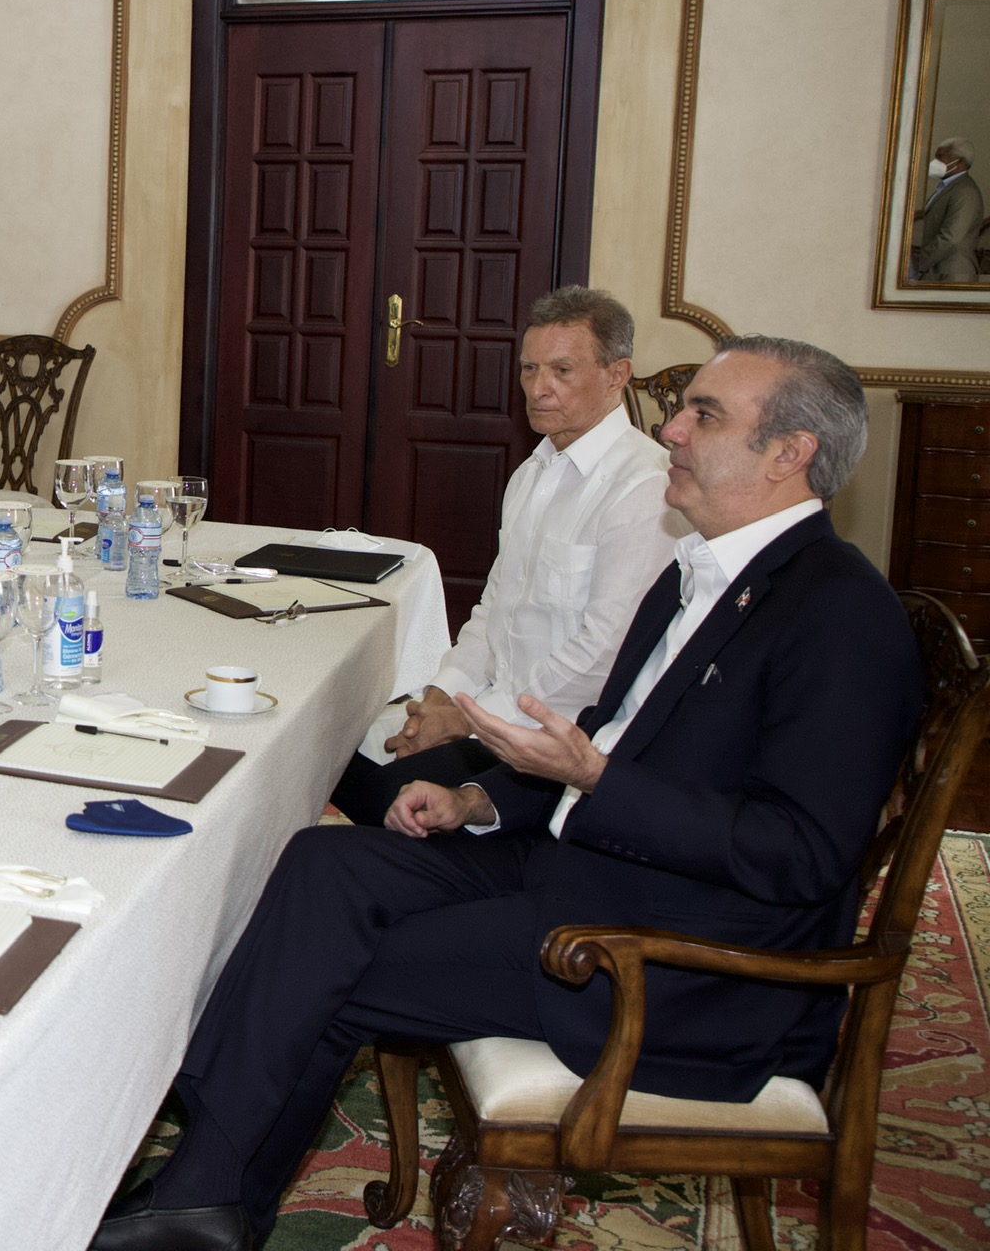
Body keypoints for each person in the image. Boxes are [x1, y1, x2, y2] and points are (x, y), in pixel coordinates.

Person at [93, 336, 923, 1251]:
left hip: (679, 962)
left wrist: (595, 779)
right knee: (326, 865)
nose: (672, 430)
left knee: (331, 968)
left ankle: (204, 1194)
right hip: (591, 870)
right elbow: (607, 743)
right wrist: (480, 803)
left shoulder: (841, 615)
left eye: (705, 415)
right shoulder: (704, 572)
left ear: (789, 453)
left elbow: (800, 854)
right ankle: (209, 1192)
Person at [330, 287, 683, 825]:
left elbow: (604, 656)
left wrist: (470, 720)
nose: (538, 388)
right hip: (493, 710)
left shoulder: (644, 488)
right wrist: (442, 698)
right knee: (331, 754)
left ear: (617, 375)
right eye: (529, 368)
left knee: (384, 793)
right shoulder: (532, 474)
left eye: (562, 370)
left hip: (559, 737)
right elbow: (494, 608)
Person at [910, 136, 982, 284]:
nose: (934, 162)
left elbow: (950, 237)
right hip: (937, 271)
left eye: (940, 157)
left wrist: (918, 264)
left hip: (952, 274)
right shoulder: (949, 187)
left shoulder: (965, 191)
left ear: (959, 162)